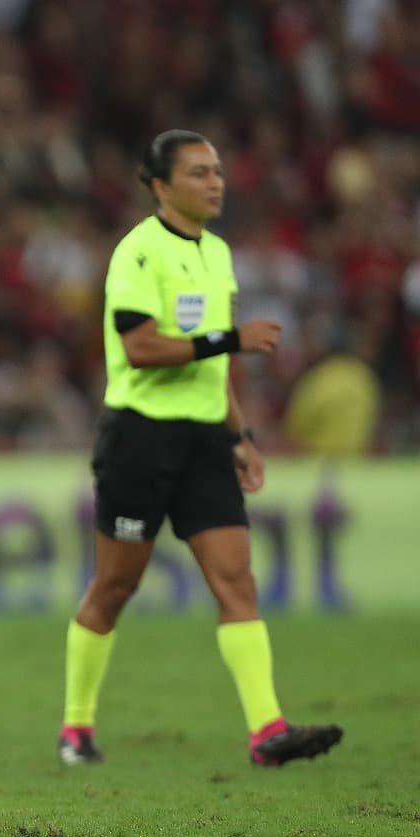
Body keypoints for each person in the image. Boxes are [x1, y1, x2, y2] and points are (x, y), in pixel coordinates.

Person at [59, 129, 344, 767]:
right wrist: (229, 340)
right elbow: (141, 348)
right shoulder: (138, 252)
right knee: (114, 587)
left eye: (216, 171)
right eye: (197, 173)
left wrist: (237, 433)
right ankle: (76, 726)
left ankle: (268, 731)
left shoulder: (218, 253)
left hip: (203, 440)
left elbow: (209, 368)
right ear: (160, 186)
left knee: (236, 579)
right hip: (139, 437)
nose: (214, 182)